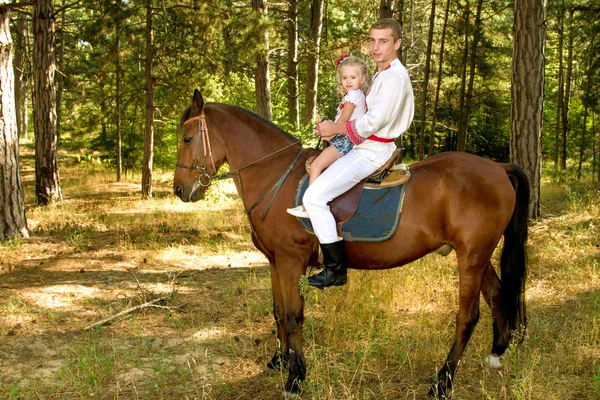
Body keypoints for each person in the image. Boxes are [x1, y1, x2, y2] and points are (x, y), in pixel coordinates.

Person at [302, 18, 415, 289]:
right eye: (372, 40)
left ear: (397, 44)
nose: (376, 47)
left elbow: (372, 123)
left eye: (383, 41)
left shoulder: (394, 77)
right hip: (365, 144)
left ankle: (335, 269)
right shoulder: (382, 73)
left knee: (314, 197)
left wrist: (336, 128)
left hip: (372, 149)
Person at [287, 56, 368, 218]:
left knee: (316, 165)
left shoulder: (353, 96)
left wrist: (329, 130)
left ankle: (308, 206)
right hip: (347, 139)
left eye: (353, 77)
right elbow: (342, 121)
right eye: (345, 78)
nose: (348, 81)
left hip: (346, 141)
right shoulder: (355, 95)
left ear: (363, 78)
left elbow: (344, 121)